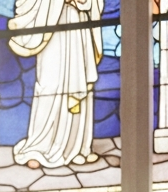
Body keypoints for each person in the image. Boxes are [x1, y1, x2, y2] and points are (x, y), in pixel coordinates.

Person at [9, 0, 104, 169]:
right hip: (50, 22)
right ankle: (38, 147)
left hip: (78, 21)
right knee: (49, 85)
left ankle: (76, 148)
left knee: (78, 83)